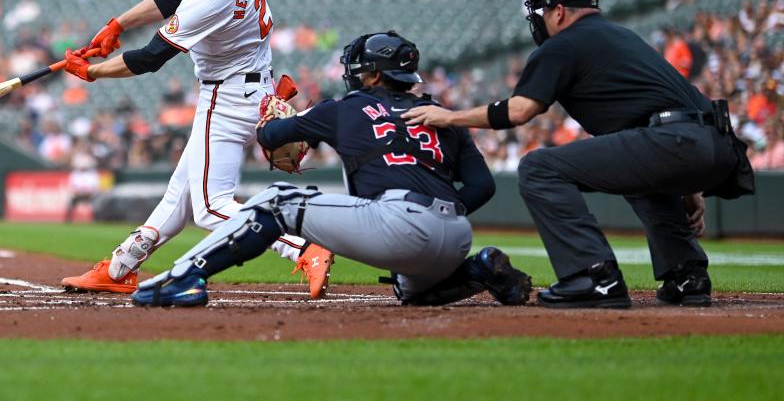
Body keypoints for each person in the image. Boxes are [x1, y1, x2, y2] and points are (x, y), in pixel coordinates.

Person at [404, 0, 751, 309]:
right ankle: (687, 275)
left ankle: (593, 276)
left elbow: (520, 111)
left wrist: (449, 117)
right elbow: (659, 110)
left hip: (674, 141)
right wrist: (688, 183)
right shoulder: (624, 37)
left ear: (558, 12)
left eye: (540, 14)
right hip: (716, 144)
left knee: (539, 168)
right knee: (638, 179)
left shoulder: (563, 45)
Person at [131, 32, 532, 307]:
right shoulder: (441, 115)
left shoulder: (344, 108)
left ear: (374, 74)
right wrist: (437, 215)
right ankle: (476, 269)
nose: (353, 74)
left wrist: (269, 120)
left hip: (399, 224)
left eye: (360, 68)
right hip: (456, 234)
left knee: (275, 200)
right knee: (411, 291)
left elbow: (272, 136)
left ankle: (182, 278)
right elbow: (482, 186)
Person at [59, 0, 334, 298]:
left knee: (209, 207)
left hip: (226, 96)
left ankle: (301, 247)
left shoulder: (209, 0)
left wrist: (94, 73)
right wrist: (118, 24)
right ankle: (121, 267)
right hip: (253, 88)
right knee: (179, 195)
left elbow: (151, 57)